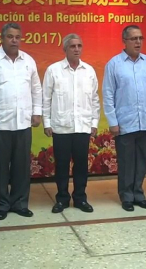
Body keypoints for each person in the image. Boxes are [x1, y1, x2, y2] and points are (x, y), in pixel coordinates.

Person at [0, 23, 42, 220]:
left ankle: (20, 203)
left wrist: (36, 113)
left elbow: (36, 89)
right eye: (10, 37)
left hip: (23, 124)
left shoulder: (28, 61)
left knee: (22, 168)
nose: (14, 40)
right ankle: (1, 205)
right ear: (2, 38)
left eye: (17, 37)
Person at [103, 25, 146, 212]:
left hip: (145, 121)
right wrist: (112, 122)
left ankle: (139, 193)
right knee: (127, 161)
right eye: (133, 38)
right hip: (124, 122)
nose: (138, 42)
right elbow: (108, 94)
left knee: (142, 160)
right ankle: (126, 196)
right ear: (124, 41)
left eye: (140, 38)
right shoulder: (114, 64)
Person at [42, 34, 100, 213]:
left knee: (82, 164)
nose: (76, 49)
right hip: (61, 126)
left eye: (79, 46)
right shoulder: (54, 70)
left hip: (82, 126)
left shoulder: (89, 71)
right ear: (65, 49)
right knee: (62, 164)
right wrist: (46, 122)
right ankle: (62, 199)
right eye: (72, 46)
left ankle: (80, 198)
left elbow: (95, 99)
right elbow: (46, 98)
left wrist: (94, 122)